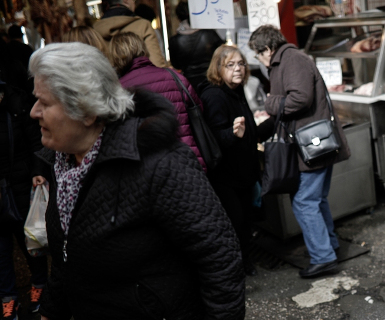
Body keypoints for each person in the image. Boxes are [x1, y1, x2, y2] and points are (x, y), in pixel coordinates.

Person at [29, 42, 244, 319]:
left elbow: (219, 256)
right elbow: (68, 255)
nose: (34, 111)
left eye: (44, 102)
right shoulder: (63, 166)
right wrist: (50, 311)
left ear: (86, 110)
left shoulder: (160, 163)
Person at [248, 25, 350, 278]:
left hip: (312, 144)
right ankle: (329, 247)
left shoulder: (291, 59)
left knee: (304, 202)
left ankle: (323, 257)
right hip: (313, 143)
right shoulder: (288, 59)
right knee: (315, 199)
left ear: (268, 49)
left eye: (258, 54)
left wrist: (269, 101)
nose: (259, 60)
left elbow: (299, 98)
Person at [199, 45, 274, 276]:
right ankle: (236, 269)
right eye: (230, 65)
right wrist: (232, 134)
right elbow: (213, 139)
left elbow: (247, 130)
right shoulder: (214, 95)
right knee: (235, 222)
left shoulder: (236, 90)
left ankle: (245, 262)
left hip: (243, 172)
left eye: (241, 63)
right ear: (218, 68)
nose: (238, 69)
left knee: (245, 221)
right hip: (226, 176)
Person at [110, 32, 206, 171]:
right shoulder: (174, 76)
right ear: (143, 49)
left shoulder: (119, 89)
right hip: (189, 161)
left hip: (150, 170)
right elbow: (198, 108)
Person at [0, 79, 48, 320]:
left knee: (30, 239)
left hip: (20, 184)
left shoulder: (17, 102)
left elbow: (36, 140)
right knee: (0, 248)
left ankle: (40, 286)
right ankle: (8, 299)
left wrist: (37, 170)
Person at [93, 0, 167, 67]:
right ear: (126, 1)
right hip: (141, 80)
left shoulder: (94, 30)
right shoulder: (143, 25)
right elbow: (157, 63)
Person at [169, 1, 224, 91]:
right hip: (212, 79)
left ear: (178, 17)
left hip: (190, 84)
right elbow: (222, 54)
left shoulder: (175, 40)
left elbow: (176, 64)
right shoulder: (209, 33)